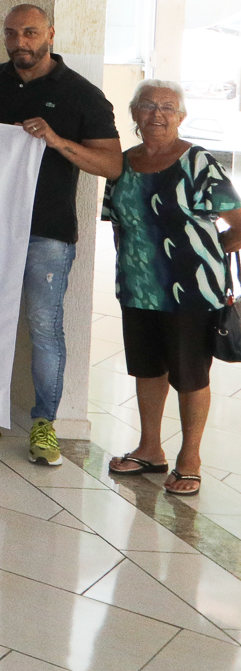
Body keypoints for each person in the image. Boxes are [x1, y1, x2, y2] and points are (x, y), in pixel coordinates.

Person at [0, 3, 122, 465]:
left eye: (29, 32)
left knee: (44, 327)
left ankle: (45, 423)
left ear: (50, 34)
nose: (20, 42)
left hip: (47, 232)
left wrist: (58, 140)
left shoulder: (82, 95)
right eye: (12, 34)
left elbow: (111, 165)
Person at [101, 81, 240, 497]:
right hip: (138, 288)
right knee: (147, 367)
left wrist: (207, 256)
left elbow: (240, 224)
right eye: (147, 106)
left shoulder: (197, 162)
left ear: (181, 117)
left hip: (192, 293)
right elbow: (120, 223)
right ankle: (150, 449)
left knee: (190, 374)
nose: (156, 115)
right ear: (134, 114)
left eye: (167, 107)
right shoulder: (122, 164)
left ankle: (190, 459)